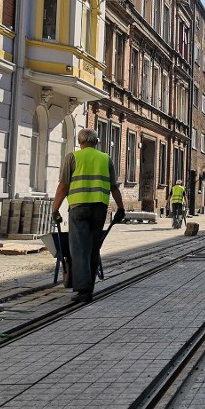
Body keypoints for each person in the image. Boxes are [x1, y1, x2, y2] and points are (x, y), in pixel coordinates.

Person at [52, 128, 125, 303]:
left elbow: (63, 186)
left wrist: (55, 209)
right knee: (93, 248)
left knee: (79, 249)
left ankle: (83, 291)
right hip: (99, 209)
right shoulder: (105, 159)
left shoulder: (72, 157)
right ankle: (89, 287)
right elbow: (114, 187)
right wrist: (121, 208)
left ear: (80, 141)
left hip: (78, 208)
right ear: (96, 142)